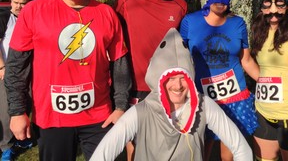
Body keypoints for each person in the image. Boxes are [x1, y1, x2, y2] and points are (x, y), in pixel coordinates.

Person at [4, 0, 131, 161]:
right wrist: (17, 112)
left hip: (99, 116)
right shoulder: (34, 11)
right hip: (51, 118)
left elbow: (120, 63)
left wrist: (120, 107)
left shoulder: (106, 13)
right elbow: (17, 66)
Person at [90, 28, 253, 161]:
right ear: (158, 79)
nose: (178, 85)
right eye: (171, 78)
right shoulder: (140, 112)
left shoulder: (204, 106)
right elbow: (102, 154)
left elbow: (240, 147)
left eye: (183, 78)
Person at [114, 0, 187, 159]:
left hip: (169, 85)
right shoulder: (127, 1)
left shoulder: (180, 5)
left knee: (167, 142)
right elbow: (113, 37)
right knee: (135, 143)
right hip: (137, 87)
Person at [179, 0, 259, 161]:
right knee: (200, 149)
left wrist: (269, 83)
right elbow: (180, 60)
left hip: (234, 95)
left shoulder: (237, 23)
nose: (221, 2)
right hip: (202, 96)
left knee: (229, 149)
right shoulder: (190, 22)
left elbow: (246, 60)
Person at [250, 0, 288, 161]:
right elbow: (250, 62)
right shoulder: (258, 31)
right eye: (267, 4)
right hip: (263, 113)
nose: (273, 11)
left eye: (279, 3)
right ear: (261, 7)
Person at [0, 0, 32, 161]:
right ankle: (6, 146)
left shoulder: (30, 20)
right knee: (6, 111)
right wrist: (1, 67)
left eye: (23, 3)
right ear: (11, 2)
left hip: (28, 72)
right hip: (8, 72)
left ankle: (21, 139)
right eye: (16, 2)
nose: (19, 6)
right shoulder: (4, 18)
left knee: (26, 105)